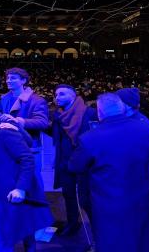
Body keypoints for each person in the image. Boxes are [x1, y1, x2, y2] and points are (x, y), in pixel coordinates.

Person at [68, 93, 149, 252]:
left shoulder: (90, 138)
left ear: (99, 111)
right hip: (141, 196)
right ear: (122, 108)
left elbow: (74, 166)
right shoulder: (145, 129)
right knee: (141, 238)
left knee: (112, 240)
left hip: (108, 201)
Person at [0, 106, 53, 252]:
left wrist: (20, 188)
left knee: (1, 241)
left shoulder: (3, 132)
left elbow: (27, 158)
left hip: (10, 195)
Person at [48, 84, 96, 236]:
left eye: (62, 94)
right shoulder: (57, 115)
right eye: (56, 95)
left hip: (84, 162)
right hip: (65, 161)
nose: (57, 97)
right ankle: (72, 223)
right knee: (68, 194)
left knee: (86, 198)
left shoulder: (89, 113)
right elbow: (56, 135)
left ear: (73, 95)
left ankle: (97, 229)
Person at [115, 87, 149, 190]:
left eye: (116, 102)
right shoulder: (132, 121)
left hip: (138, 182)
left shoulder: (141, 126)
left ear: (126, 105)